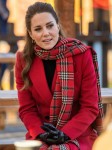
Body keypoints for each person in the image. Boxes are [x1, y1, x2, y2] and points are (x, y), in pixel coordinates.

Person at [15, 2, 104, 150]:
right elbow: (27, 109)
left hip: (77, 134)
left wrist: (65, 134)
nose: (46, 33)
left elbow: (90, 107)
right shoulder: (23, 60)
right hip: (41, 133)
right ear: (30, 34)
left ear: (57, 26)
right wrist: (40, 133)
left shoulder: (81, 54)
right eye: (38, 29)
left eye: (50, 26)